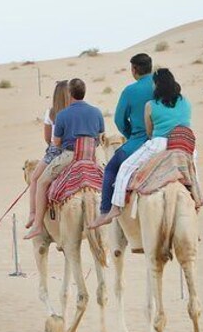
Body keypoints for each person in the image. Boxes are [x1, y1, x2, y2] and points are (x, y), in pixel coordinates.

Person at [90, 68, 191, 228]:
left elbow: (150, 132)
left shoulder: (151, 105)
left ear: (157, 85)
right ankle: (195, 203)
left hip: (159, 143)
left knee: (124, 167)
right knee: (192, 173)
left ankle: (114, 208)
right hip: (185, 143)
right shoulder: (185, 101)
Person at [24, 78, 105, 240]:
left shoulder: (60, 115)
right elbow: (101, 138)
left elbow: (55, 142)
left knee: (40, 182)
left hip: (67, 154)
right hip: (90, 154)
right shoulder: (96, 112)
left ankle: (37, 222)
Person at [92, 53, 154, 228]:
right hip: (164, 139)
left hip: (139, 141)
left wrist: (131, 134)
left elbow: (119, 120)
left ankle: (106, 211)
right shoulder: (162, 86)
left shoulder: (130, 91)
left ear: (134, 70)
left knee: (111, 167)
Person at [25, 80, 70, 228]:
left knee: (35, 179)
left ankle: (33, 213)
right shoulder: (74, 111)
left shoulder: (51, 113)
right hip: (77, 150)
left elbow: (47, 138)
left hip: (55, 151)